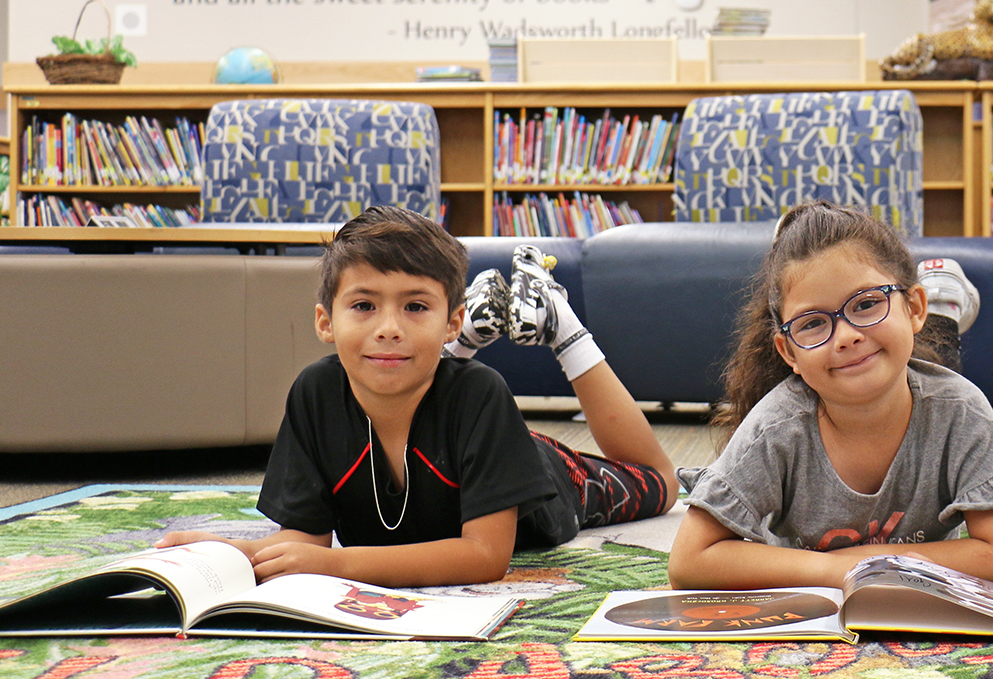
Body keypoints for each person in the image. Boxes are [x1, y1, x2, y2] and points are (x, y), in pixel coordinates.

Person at [159, 206, 676, 587]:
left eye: (414, 307)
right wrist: (229, 554)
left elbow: (485, 558)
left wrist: (339, 565)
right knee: (425, 373)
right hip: (459, 428)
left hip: (542, 473)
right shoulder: (315, 393)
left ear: (444, 318)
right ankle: (459, 344)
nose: (387, 328)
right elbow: (306, 541)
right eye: (363, 305)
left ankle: (559, 322)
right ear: (325, 321)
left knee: (663, 485)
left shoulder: (482, 394)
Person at [667, 201, 993, 590]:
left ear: (914, 307)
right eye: (812, 323)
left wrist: (863, 563)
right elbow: (689, 561)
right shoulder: (775, 426)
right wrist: (845, 572)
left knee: (938, 369)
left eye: (866, 304)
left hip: (925, 373)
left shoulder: (961, 411)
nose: (846, 337)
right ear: (788, 352)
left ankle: (942, 315)